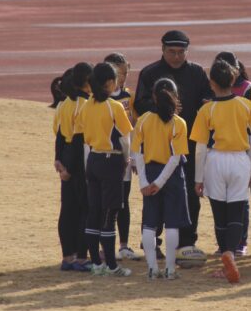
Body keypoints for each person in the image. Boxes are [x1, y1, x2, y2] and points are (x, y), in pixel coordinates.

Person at [134, 30, 212, 253]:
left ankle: (187, 242)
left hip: (188, 144)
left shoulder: (197, 72)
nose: (177, 57)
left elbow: (206, 99)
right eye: (172, 52)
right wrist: (165, 109)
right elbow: (140, 103)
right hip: (156, 146)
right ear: (162, 50)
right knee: (154, 193)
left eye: (181, 52)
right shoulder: (150, 73)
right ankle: (152, 241)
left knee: (188, 195)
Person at [191, 59, 251, 283]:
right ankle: (231, 252)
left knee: (220, 213)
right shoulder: (245, 105)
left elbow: (200, 148)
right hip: (240, 160)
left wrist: (198, 178)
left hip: (215, 161)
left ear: (211, 82)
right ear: (233, 79)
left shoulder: (207, 109)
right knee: (237, 211)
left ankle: (224, 255)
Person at [74, 62, 133, 277]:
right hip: (111, 161)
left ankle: (97, 263)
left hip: (93, 159)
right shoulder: (114, 106)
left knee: (94, 212)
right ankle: (111, 265)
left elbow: (82, 135)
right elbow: (125, 138)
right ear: (109, 82)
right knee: (110, 214)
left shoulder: (86, 105)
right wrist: (127, 159)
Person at [132, 78, 191, 280]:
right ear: (175, 97)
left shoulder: (143, 120)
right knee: (172, 224)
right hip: (172, 177)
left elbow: (137, 154)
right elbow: (176, 158)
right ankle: (170, 269)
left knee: (149, 223)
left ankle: (151, 268)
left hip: (149, 172)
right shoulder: (179, 123)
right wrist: (161, 182)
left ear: (154, 97)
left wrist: (145, 183)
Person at [214, 51, 251, 255]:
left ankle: (240, 242)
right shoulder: (215, 90)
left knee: (240, 202)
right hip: (223, 154)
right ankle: (226, 245)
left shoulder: (248, 90)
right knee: (224, 201)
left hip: (242, 152)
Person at [52, 63, 93, 271]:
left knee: (67, 209)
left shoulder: (64, 103)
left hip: (67, 154)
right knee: (84, 209)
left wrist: (58, 159)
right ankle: (81, 256)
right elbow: (78, 140)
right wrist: (70, 169)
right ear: (87, 82)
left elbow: (60, 134)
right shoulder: (84, 104)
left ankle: (67, 256)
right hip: (79, 159)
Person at [104, 52, 137, 261]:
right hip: (106, 155)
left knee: (123, 200)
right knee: (105, 202)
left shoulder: (128, 96)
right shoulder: (100, 99)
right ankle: (104, 243)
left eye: (126, 72)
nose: (124, 77)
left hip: (125, 156)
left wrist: (134, 155)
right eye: (120, 73)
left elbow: (134, 127)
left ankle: (124, 245)